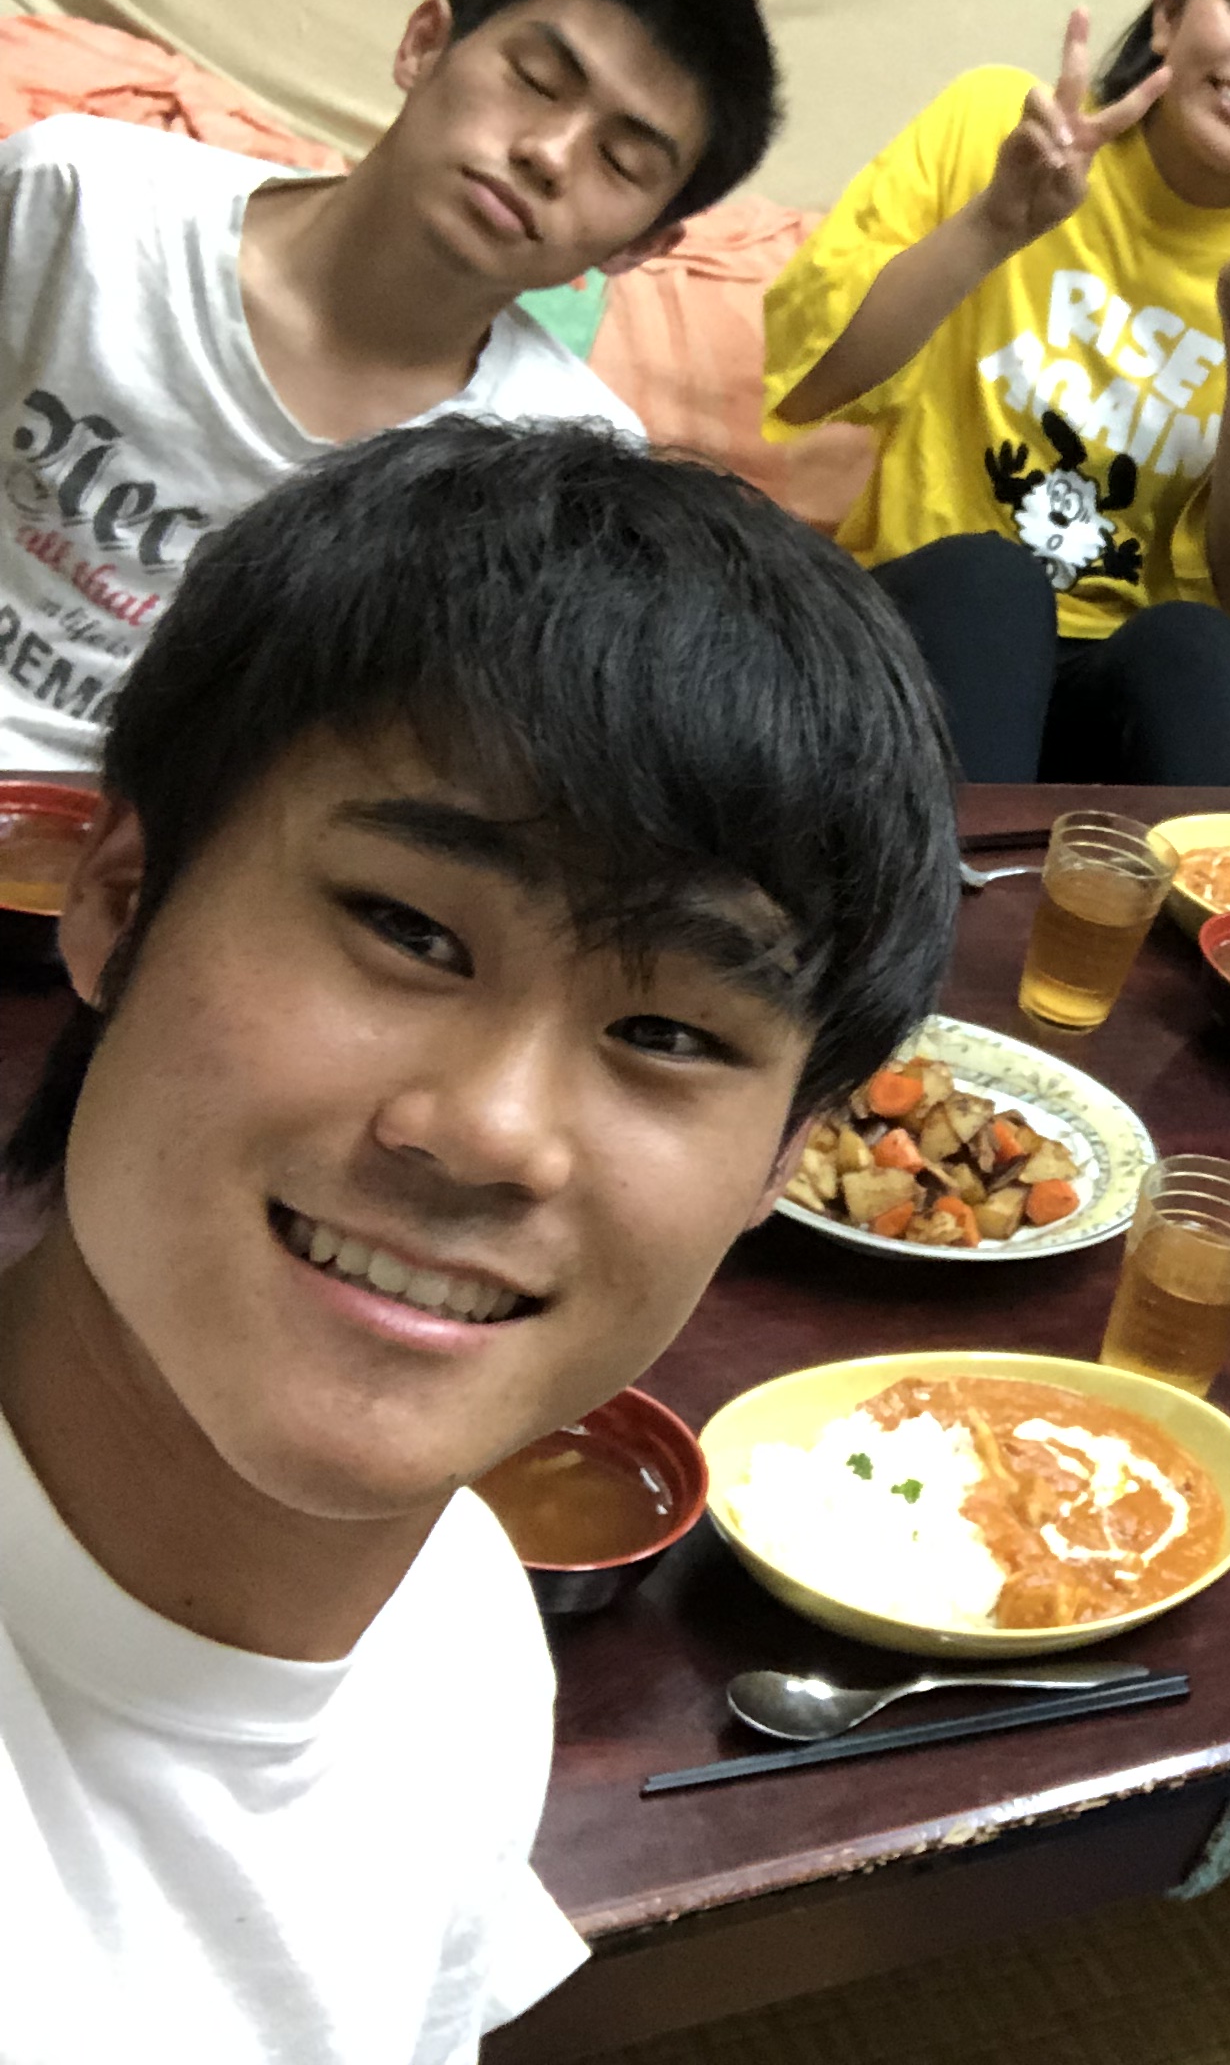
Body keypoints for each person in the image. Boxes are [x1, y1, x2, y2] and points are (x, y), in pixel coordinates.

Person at [0, 419, 960, 2058]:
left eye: (670, 1034)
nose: (496, 1131)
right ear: (118, 899)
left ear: (786, 1159)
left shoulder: (462, 1631)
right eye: (408, 929)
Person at [0, 0, 780, 772]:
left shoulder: (559, 468)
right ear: (424, 45)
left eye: (622, 162)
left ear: (639, 246)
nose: (550, 153)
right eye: (535, 79)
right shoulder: (81, 200)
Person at [766, 0, 1230, 786]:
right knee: (992, 582)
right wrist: (995, 222)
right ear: (1169, 16)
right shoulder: (1002, 127)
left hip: (1111, 688)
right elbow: (812, 383)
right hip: (922, 632)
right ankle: (951, 875)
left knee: (1196, 645)